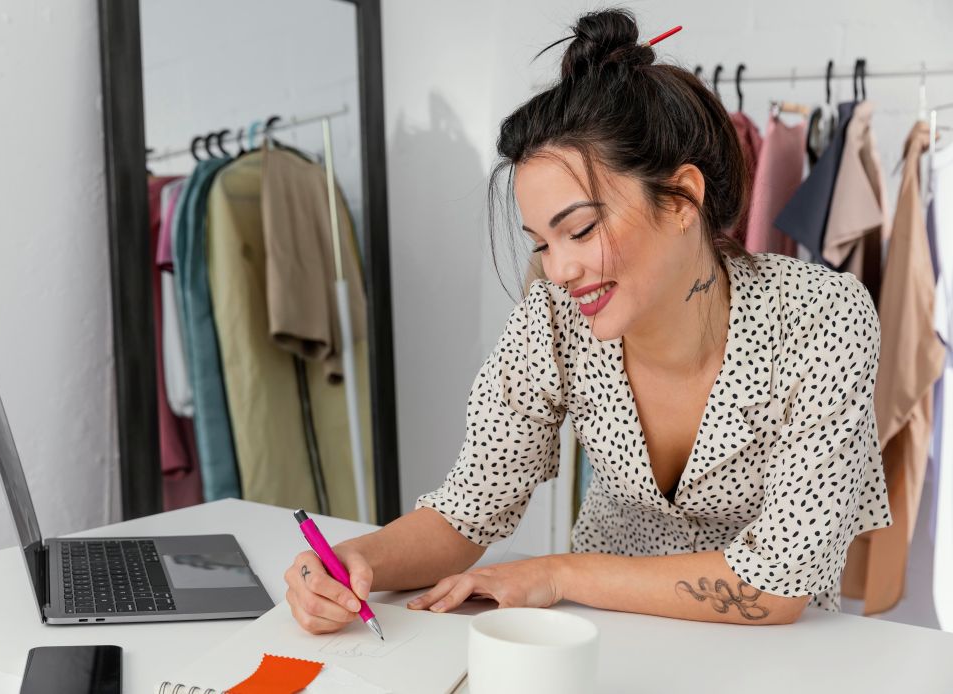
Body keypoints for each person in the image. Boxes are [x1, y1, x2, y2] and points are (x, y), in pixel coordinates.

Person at [283, 7, 892, 630]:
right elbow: (467, 511)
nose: (559, 270)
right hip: (599, 637)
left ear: (681, 198)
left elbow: (778, 582)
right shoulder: (552, 321)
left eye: (580, 229)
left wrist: (558, 573)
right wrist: (350, 561)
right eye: (543, 244)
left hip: (770, 653)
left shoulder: (824, 316)